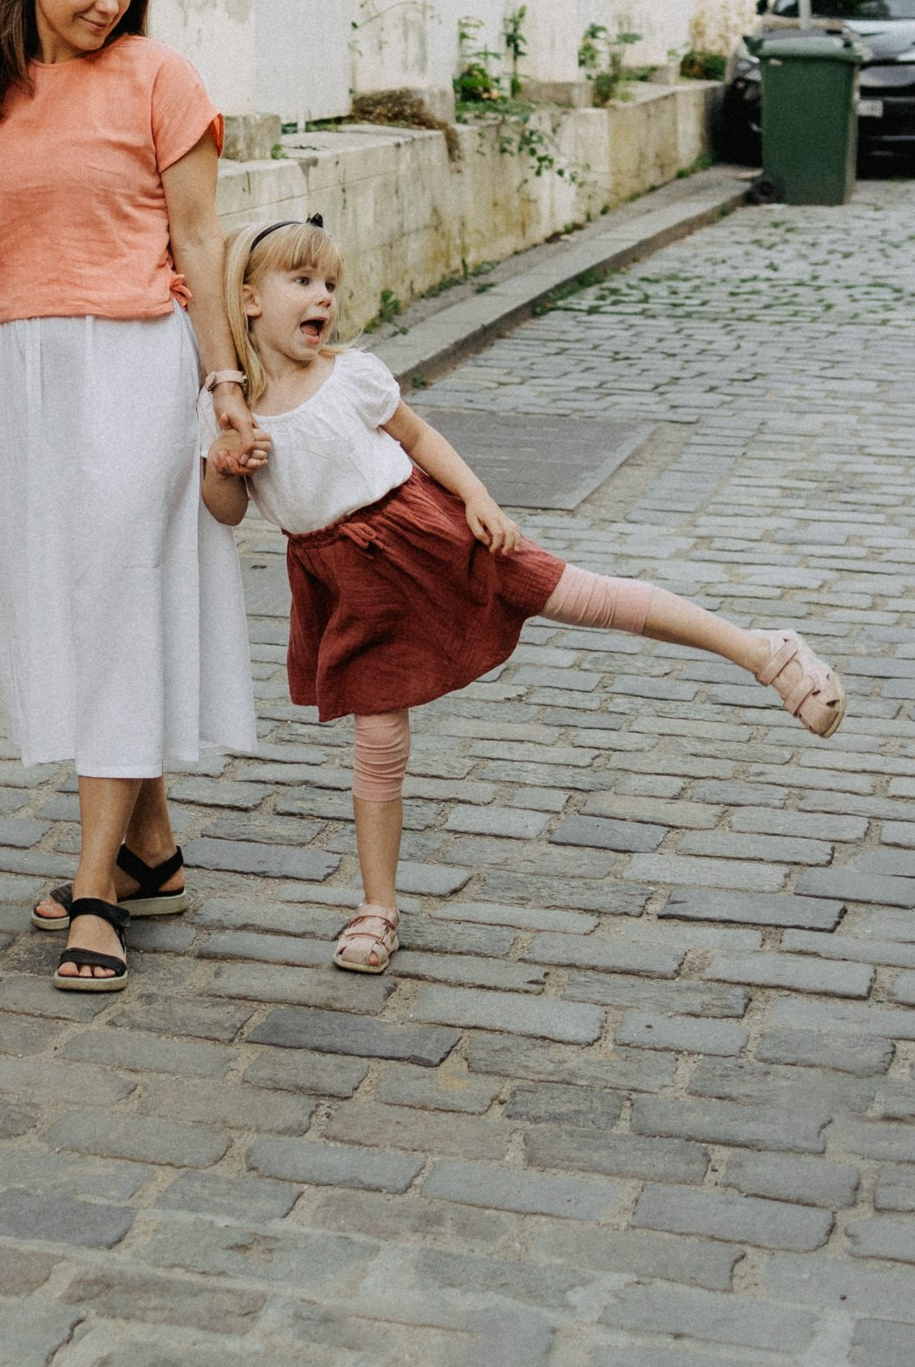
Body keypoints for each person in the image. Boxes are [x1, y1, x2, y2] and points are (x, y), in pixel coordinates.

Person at [202, 217, 848, 974]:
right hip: (346, 582)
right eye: (301, 282)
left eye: (331, 286)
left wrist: (479, 498)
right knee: (378, 744)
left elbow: (418, 438)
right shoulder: (233, 410)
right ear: (247, 299)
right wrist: (224, 463)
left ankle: (763, 651)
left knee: (583, 596)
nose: (323, 299)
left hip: (428, 531)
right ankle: (377, 908)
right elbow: (229, 511)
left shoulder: (354, 376)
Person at [0, 0, 261, 998]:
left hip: (139, 368)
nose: (110, 3)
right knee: (74, 599)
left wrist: (224, 383)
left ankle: (94, 886)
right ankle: (151, 851)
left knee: (116, 600)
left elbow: (198, 244)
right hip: (31, 374)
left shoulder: (160, 79)